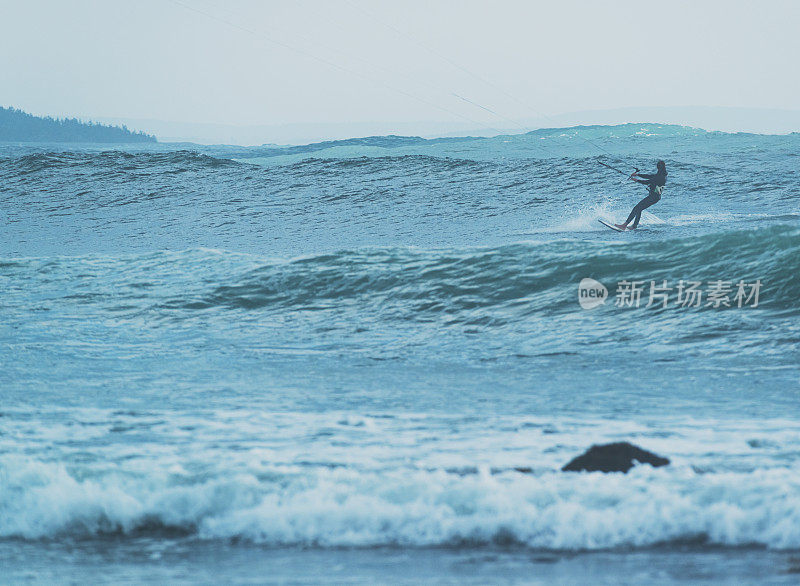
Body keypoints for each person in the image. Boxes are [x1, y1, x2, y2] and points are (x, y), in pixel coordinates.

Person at [615, 160, 667, 230]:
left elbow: (647, 182)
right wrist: (638, 175)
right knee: (639, 209)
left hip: (653, 197)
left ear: (658, 167)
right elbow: (649, 176)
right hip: (655, 197)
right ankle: (634, 226)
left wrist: (636, 180)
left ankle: (624, 225)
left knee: (636, 208)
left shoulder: (660, 177)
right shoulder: (662, 174)